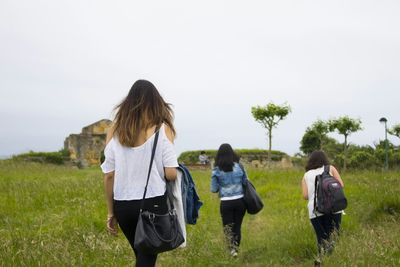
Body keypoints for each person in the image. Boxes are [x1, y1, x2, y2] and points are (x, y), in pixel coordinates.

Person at [101, 80, 179, 267]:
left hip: (123, 206)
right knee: (146, 257)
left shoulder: (114, 131)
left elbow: (109, 175)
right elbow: (171, 174)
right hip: (153, 203)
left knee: (142, 256)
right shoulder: (162, 129)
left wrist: (111, 213)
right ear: (156, 103)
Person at [301, 150, 345, 257]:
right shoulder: (330, 168)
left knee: (321, 238)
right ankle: (333, 259)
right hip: (334, 207)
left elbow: (305, 196)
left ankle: (321, 259)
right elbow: (341, 185)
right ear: (324, 159)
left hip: (315, 210)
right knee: (333, 237)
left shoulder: (306, 175)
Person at [211, 144, 246, 257]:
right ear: (232, 154)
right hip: (240, 201)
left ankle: (231, 250)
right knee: (237, 227)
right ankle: (236, 249)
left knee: (228, 227)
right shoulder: (239, 167)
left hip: (226, 202)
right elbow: (245, 182)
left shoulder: (216, 170)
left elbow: (214, 189)